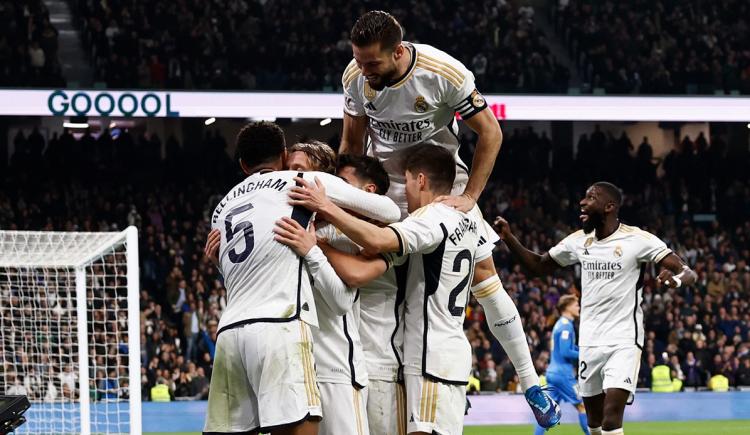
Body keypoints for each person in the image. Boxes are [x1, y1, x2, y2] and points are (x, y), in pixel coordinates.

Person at [340, 11, 557, 426]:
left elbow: (491, 133)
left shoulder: (444, 72)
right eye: (359, 61)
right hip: (385, 190)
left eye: (372, 64)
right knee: (388, 288)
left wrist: (470, 195)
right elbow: (351, 141)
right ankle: (425, 384)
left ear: (398, 51)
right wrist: (347, 194)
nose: (364, 72)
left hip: (442, 187)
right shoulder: (355, 75)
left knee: (483, 276)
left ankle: (531, 383)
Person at [288, 144, 532, 435]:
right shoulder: (465, 219)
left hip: (414, 361)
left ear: (420, 180)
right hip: (423, 358)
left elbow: (369, 254)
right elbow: (489, 283)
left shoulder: (421, 223)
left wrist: (319, 235)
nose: (404, 195)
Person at [201, 121, 400, 435]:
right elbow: (390, 211)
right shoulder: (300, 184)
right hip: (281, 330)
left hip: (231, 334)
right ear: (281, 157)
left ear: (242, 165)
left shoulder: (223, 208)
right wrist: (321, 214)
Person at [494, 181, 698, 435]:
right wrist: (509, 238)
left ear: (609, 206)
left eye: (591, 197)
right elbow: (537, 266)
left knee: (612, 418)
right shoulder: (579, 241)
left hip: (624, 340)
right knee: (594, 422)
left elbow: (687, 270)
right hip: (589, 342)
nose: (582, 202)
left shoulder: (637, 240)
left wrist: (677, 279)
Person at [274, 142, 375, 435]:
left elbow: (342, 302)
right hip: (294, 372)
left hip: (337, 373)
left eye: (299, 170)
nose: (290, 177)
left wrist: (312, 250)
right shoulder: (280, 229)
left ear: (323, 181)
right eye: (288, 169)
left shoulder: (340, 233)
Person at [536, 295, 590, 435]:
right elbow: (566, 351)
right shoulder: (566, 325)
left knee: (547, 412)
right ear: (567, 307)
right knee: (583, 406)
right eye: (576, 304)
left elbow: (567, 348)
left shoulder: (560, 323)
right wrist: (586, 355)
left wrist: (582, 349)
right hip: (564, 375)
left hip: (553, 373)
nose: (578, 307)